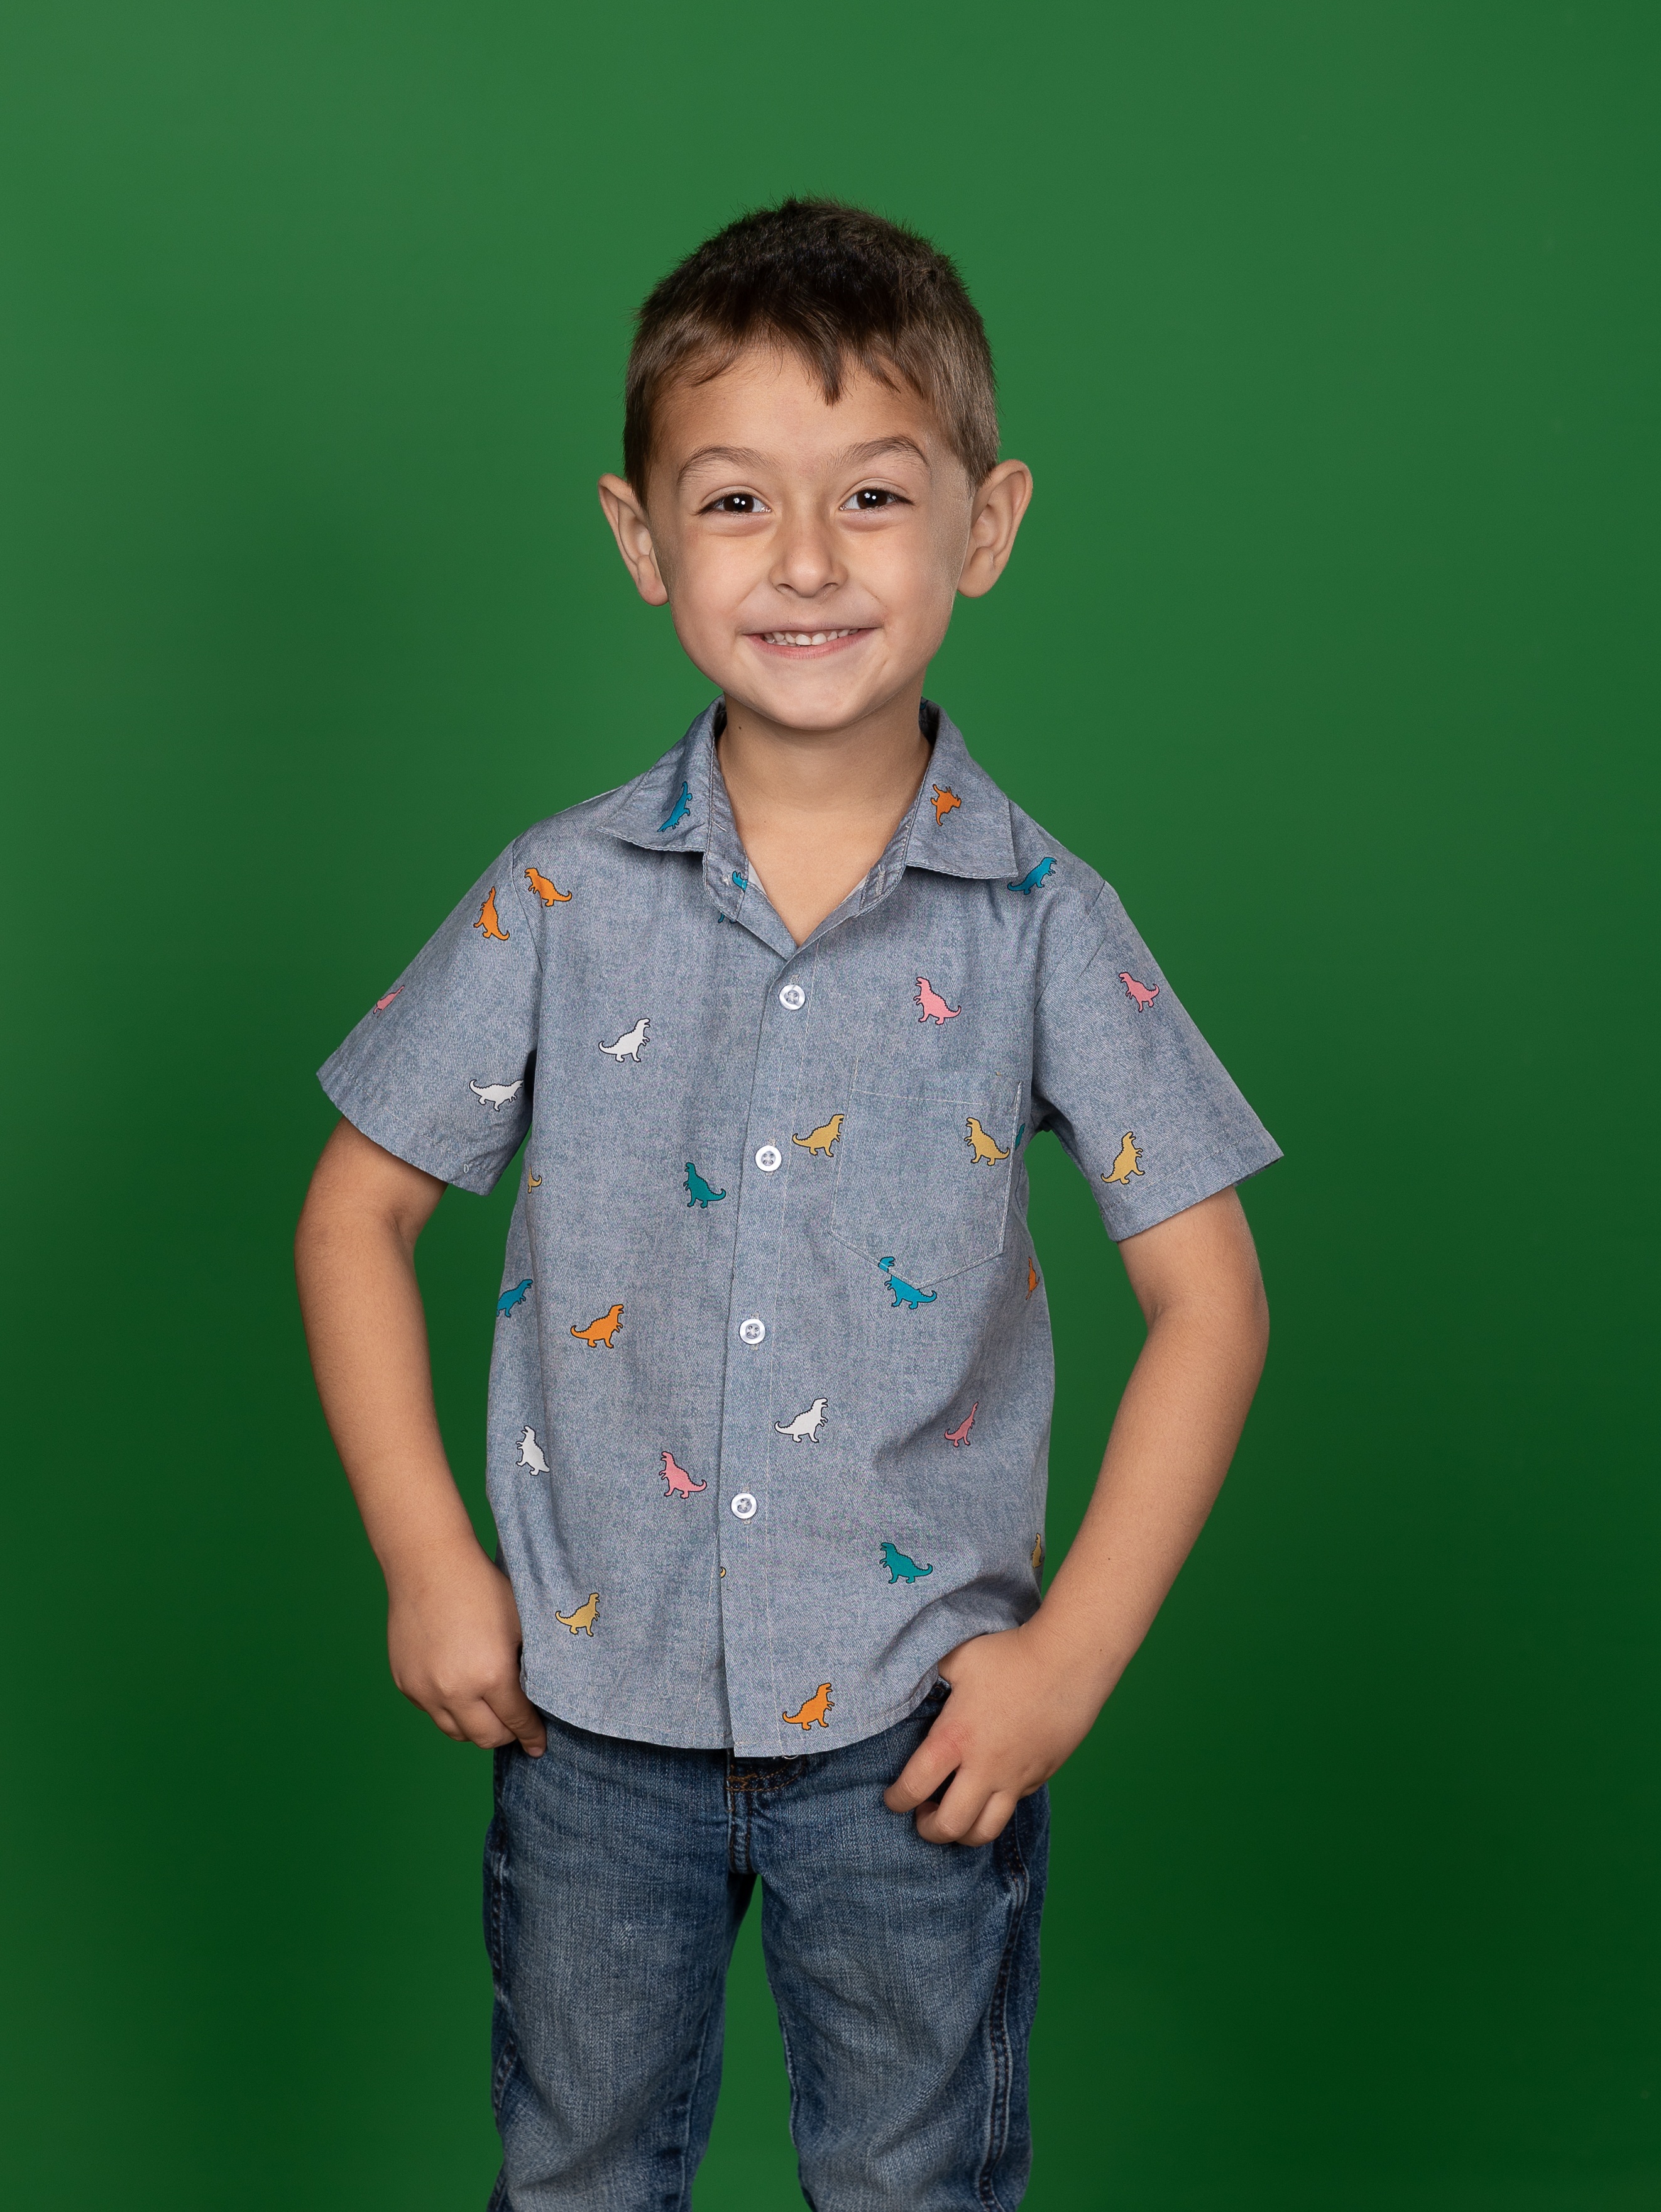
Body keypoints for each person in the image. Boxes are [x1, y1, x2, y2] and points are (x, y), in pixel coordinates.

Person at [295, 197, 1279, 2211]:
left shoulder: (1042, 923)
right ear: (642, 537)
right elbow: (352, 1217)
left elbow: (1216, 1303)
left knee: (915, 2183)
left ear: (987, 525)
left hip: (916, 1735)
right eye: (737, 499)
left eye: (875, 496)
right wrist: (427, 1555)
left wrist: (1068, 1662)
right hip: (590, 1718)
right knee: (579, 2171)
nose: (809, 560)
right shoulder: (558, 895)